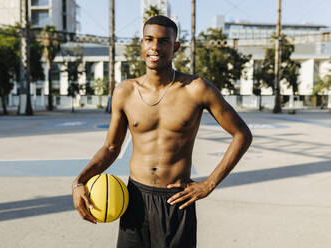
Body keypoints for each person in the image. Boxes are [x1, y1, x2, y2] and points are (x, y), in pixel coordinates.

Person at [72, 15, 252, 248]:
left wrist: (209, 184)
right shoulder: (125, 92)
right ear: (142, 44)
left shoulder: (197, 89)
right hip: (134, 198)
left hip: (175, 201)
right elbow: (110, 148)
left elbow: (242, 135)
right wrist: (79, 182)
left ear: (175, 46)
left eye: (163, 41)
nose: (155, 47)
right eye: (149, 39)